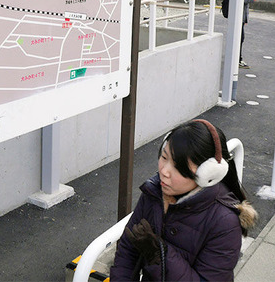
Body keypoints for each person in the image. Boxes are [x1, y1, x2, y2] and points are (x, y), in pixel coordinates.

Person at [110, 119, 257, 281]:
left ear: (207, 173)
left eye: (179, 167)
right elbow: (127, 251)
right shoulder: (154, 192)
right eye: (164, 157)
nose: (164, 171)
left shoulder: (225, 223)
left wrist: (161, 255)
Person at [239, 0, 259, 69]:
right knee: (240, 38)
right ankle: (238, 59)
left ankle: (238, 58)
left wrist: (245, 19)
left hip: (241, 16)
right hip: (239, 16)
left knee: (240, 38)